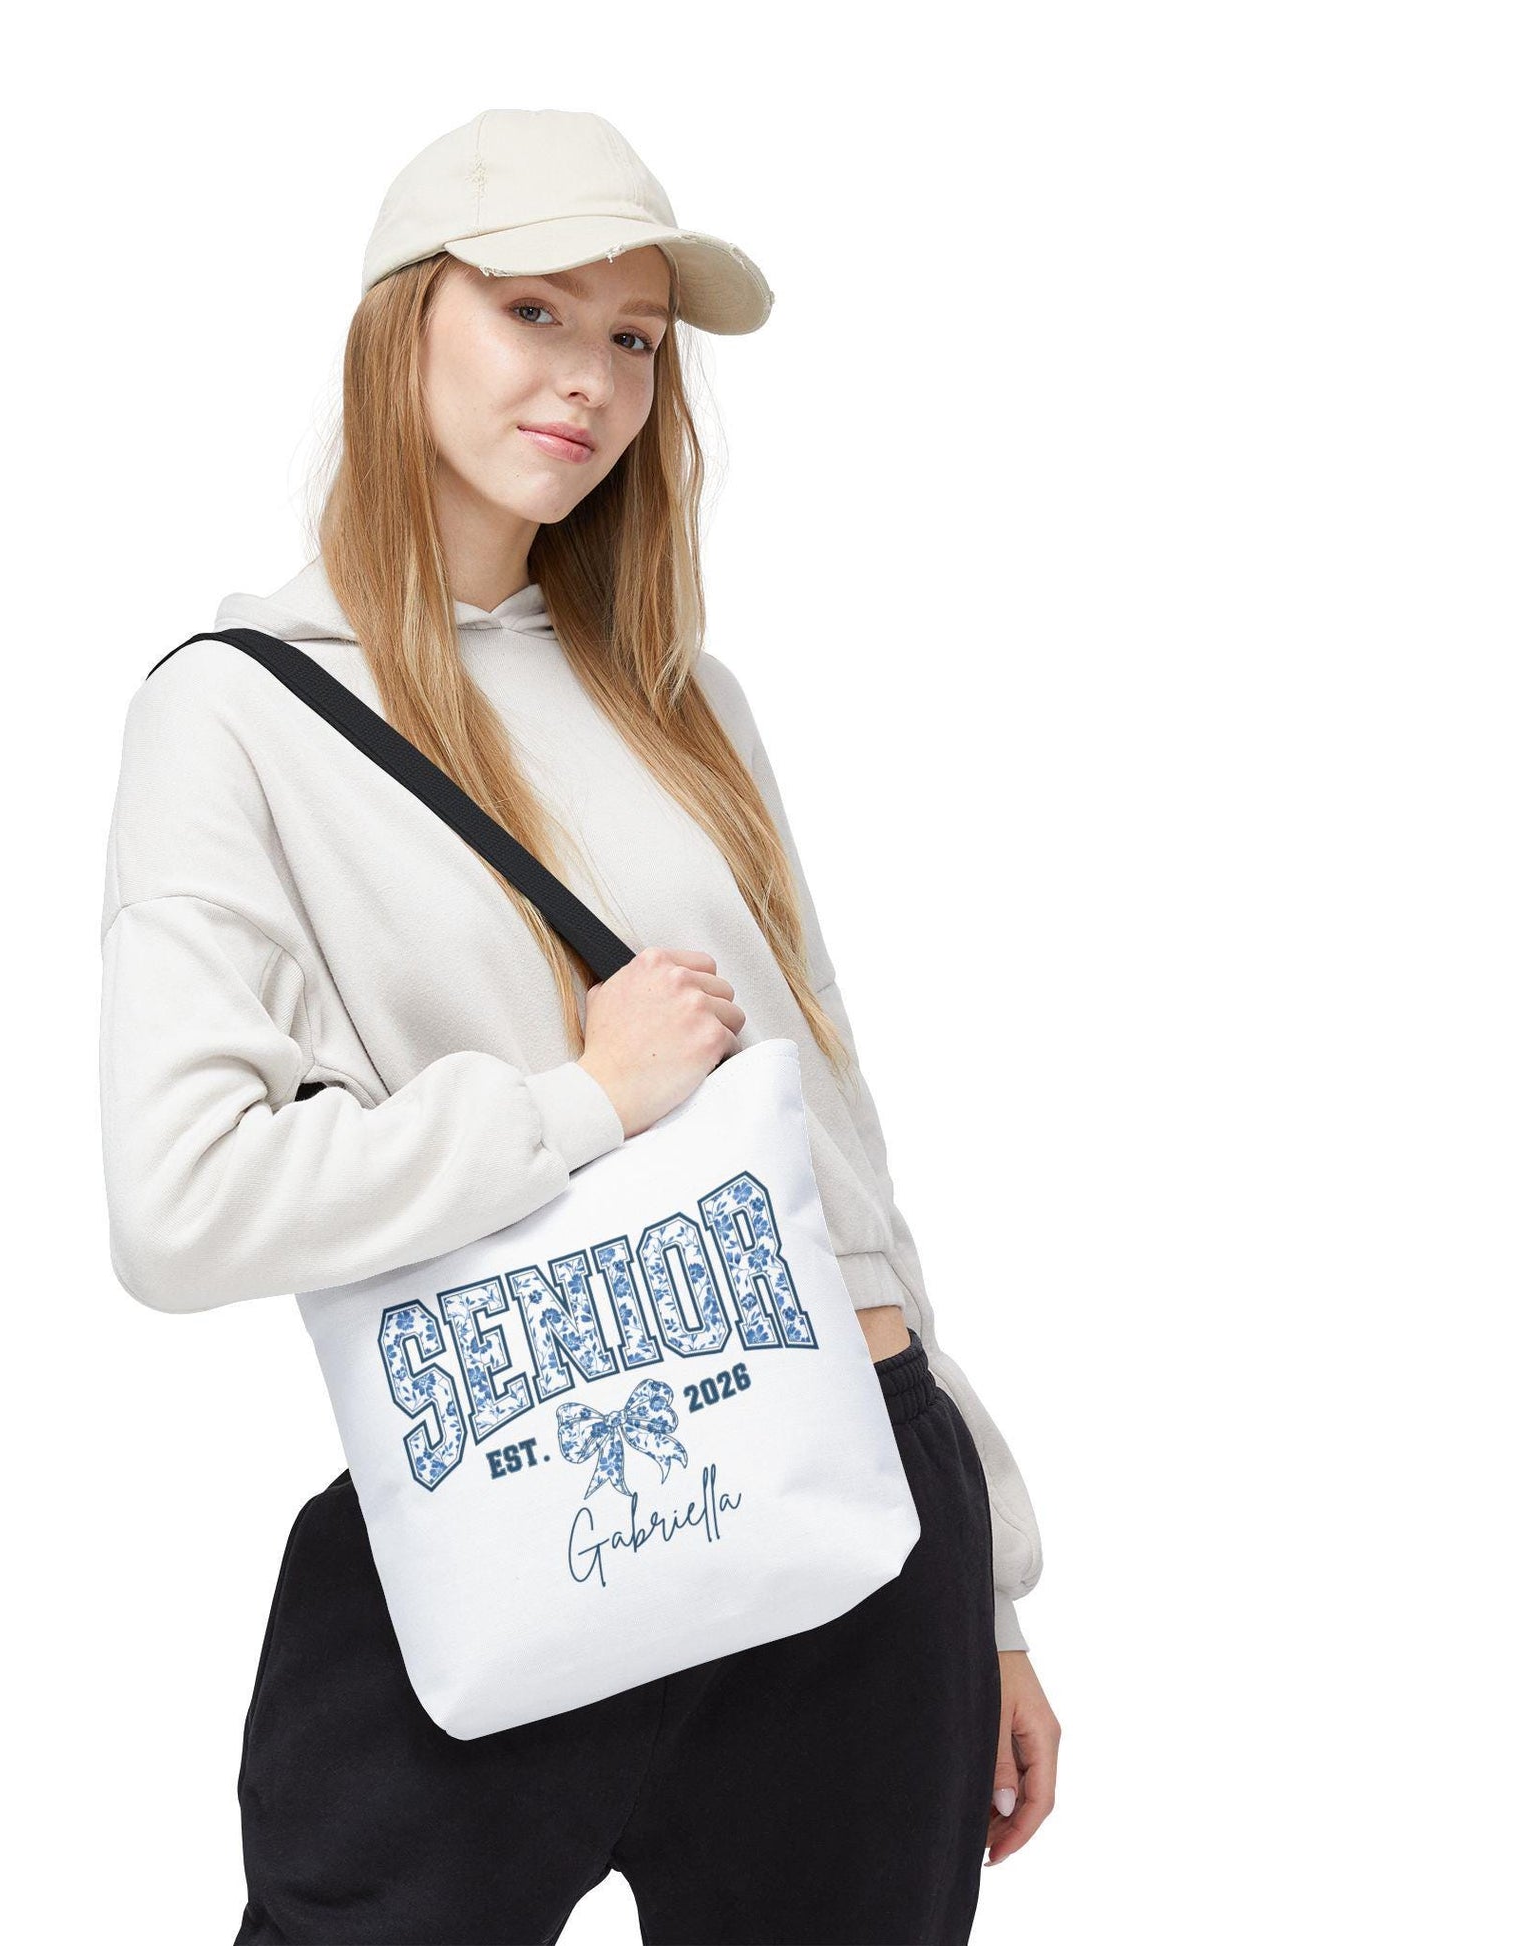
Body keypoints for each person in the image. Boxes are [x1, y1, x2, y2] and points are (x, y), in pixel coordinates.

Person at [100, 108, 1059, 1946]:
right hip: (505, 1506)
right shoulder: (240, 716)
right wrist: (585, 1102)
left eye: (632, 337)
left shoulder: (682, 696)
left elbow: (833, 1149)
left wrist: (993, 1588)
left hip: (855, 1510)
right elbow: (181, 1201)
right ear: (402, 325)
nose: (593, 381)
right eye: (533, 309)